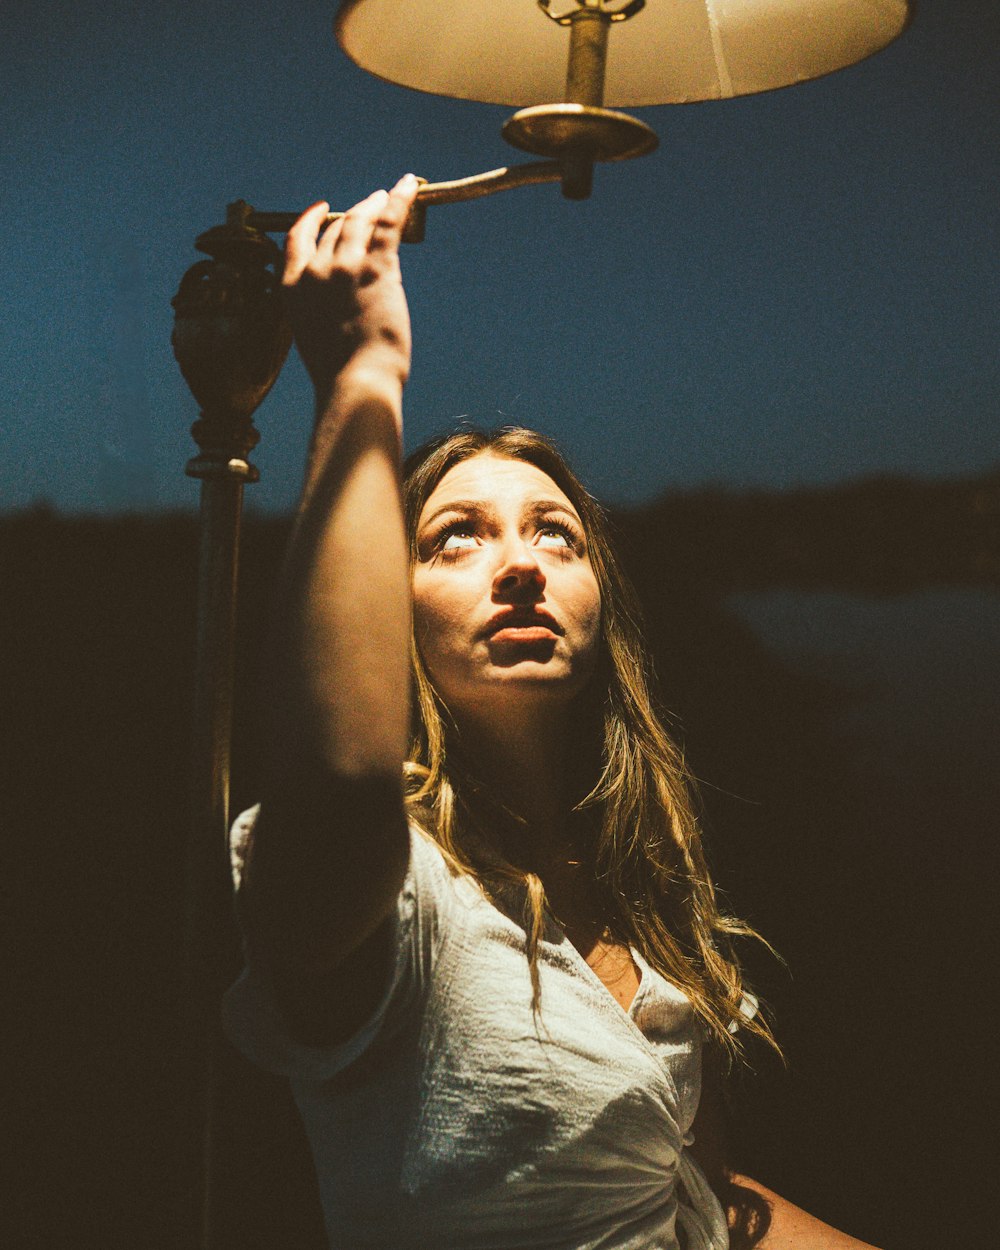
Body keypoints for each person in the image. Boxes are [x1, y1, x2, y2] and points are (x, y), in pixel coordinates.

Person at [223, 175, 883, 1250]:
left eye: (556, 534)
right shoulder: (395, 900)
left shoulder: (645, 881)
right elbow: (338, 774)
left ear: (598, 602)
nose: (521, 563)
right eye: (456, 537)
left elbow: (691, 1198)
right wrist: (361, 373)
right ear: (389, 604)